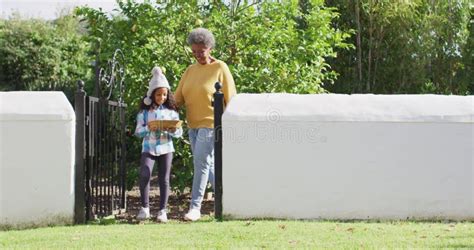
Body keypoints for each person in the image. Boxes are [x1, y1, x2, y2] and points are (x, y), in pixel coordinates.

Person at [174, 28, 237, 221]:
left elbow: (231, 97)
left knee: (200, 163)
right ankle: (229, 199)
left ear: (209, 48)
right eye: (194, 52)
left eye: (201, 51)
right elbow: (177, 98)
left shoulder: (220, 67)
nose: (198, 55)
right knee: (207, 165)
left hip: (211, 124)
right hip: (192, 125)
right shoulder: (190, 71)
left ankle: (195, 208)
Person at [134, 66, 183, 223]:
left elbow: (179, 133)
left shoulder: (171, 112)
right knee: (145, 174)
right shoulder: (144, 113)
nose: (161, 97)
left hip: (166, 148)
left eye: (164, 94)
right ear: (152, 94)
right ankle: (145, 208)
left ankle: (162, 210)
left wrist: (171, 129)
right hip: (148, 147)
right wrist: (148, 128)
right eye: (158, 94)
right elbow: (138, 131)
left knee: (164, 179)